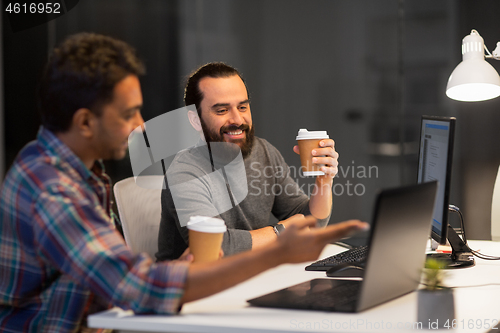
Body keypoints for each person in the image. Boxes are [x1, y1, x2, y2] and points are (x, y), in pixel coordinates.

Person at [0, 33, 367, 333]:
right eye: (128, 113)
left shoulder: (79, 172)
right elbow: (137, 287)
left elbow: (111, 274)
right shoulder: (53, 190)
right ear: (84, 123)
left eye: (243, 105)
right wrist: (278, 248)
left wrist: (322, 184)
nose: (140, 125)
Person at [157, 62, 339, 260]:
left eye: (242, 107)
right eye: (222, 110)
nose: (237, 119)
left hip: (250, 275)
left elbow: (311, 223)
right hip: (193, 285)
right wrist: (281, 232)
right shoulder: (184, 173)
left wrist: (324, 181)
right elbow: (217, 248)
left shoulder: (264, 152)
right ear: (195, 120)